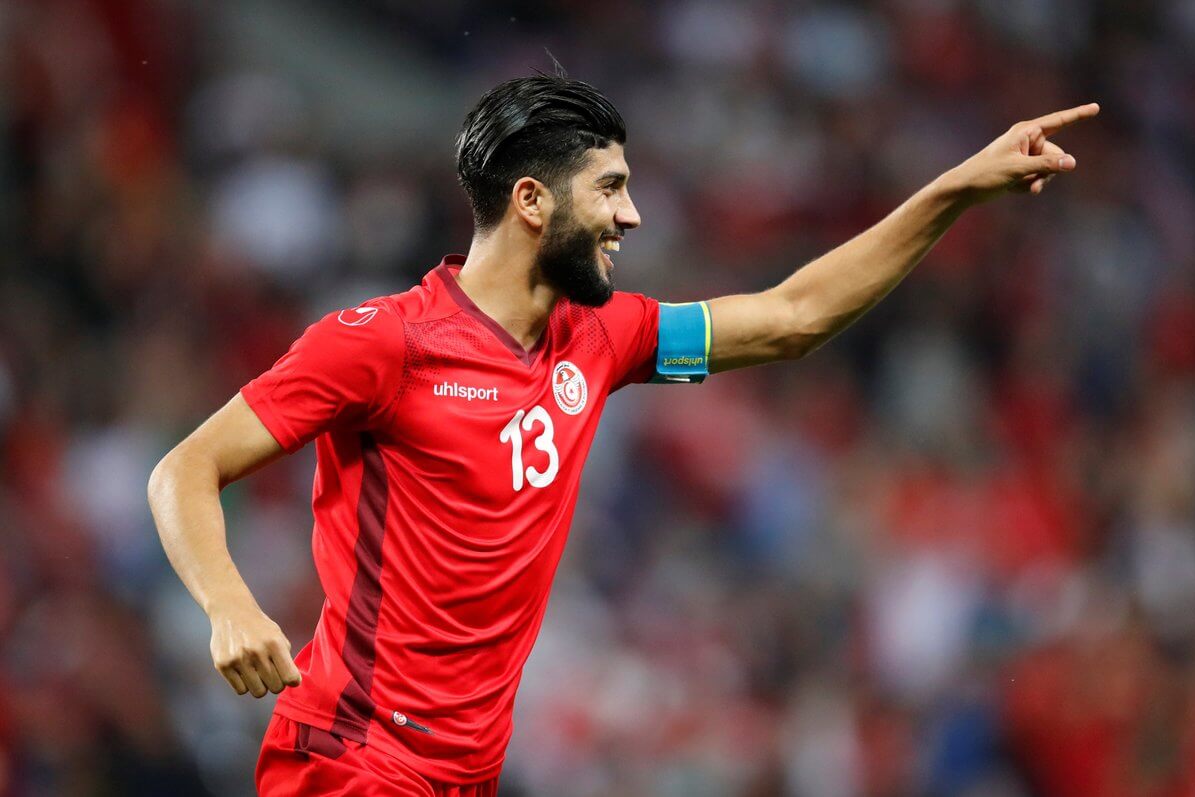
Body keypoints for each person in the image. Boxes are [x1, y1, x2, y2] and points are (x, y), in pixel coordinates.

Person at [147, 73, 1098, 795]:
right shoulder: (381, 343)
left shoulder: (603, 338)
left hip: (467, 772)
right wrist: (230, 606)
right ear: (533, 201)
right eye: (609, 189)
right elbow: (184, 469)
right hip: (354, 758)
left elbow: (794, 316)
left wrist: (956, 190)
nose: (630, 215)